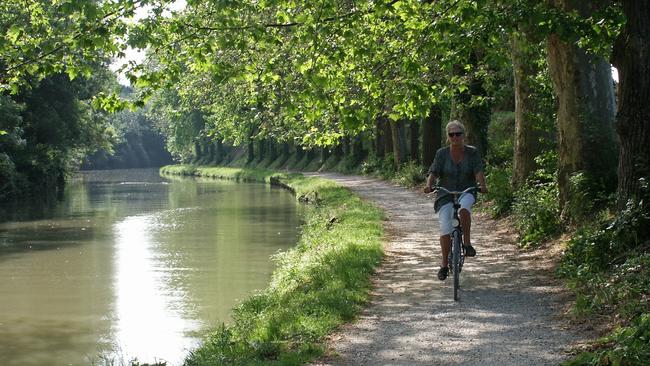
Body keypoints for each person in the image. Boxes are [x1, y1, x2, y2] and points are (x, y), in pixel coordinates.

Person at [423, 120, 488, 281]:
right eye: (451, 134)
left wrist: (483, 185)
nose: (455, 137)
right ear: (448, 137)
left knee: (464, 209)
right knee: (445, 228)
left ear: (463, 135)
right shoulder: (441, 153)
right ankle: (444, 265)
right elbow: (434, 171)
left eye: (458, 134)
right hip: (445, 193)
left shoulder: (472, 153)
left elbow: (478, 171)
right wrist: (429, 185)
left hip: (466, 190)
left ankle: (466, 243)